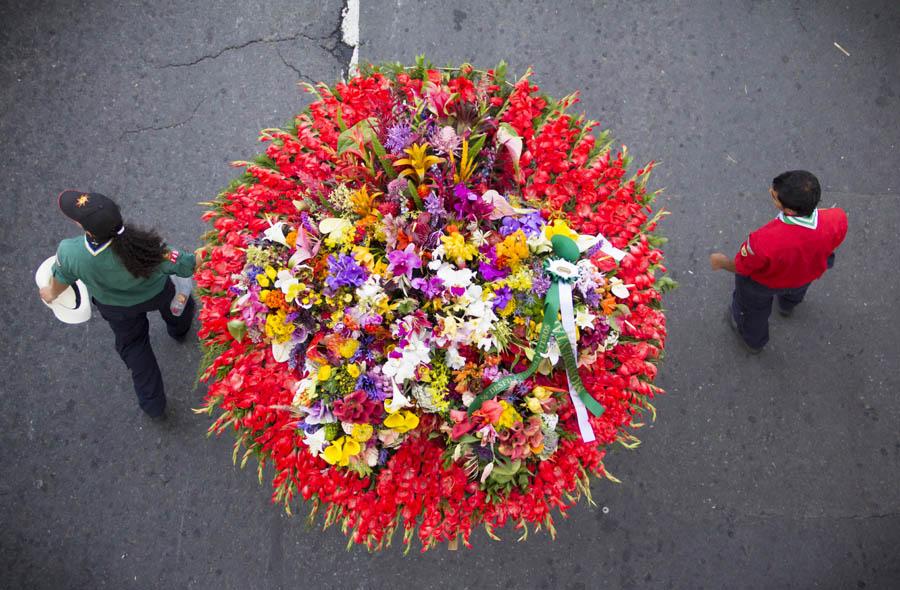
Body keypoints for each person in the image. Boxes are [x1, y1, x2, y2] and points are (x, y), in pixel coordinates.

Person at [39, 190, 202, 420]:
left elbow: (60, 281)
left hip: (116, 308)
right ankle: (179, 330)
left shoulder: (70, 252)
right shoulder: (149, 247)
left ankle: (153, 405)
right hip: (156, 292)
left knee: (135, 348)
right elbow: (186, 265)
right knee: (178, 306)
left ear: (84, 228)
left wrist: (49, 293)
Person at [709, 171, 847, 353]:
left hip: (765, 284)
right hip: (806, 273)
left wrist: (723, 262)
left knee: (752, 312)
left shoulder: (763, 242)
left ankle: (753, 341)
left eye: (774, 196)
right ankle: (787, 306)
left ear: (789, 211)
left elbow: (743, 267)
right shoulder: (836, 218)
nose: (770, 193)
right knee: (796, 290)